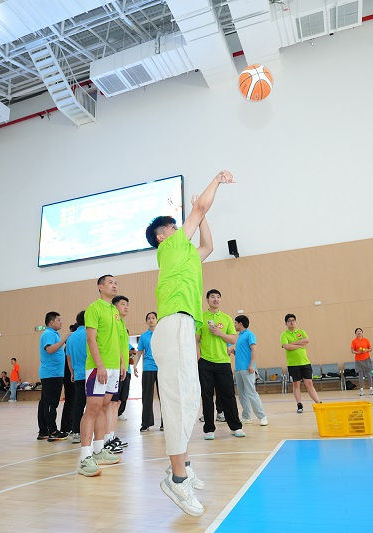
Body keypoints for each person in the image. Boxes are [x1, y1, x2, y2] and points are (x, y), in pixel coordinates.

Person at [144, 169, 235, 517]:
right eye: (174, 225)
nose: (180, 227)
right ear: (163, 235)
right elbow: (198, 210)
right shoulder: (170, 247)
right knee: (179, 400)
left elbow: (208, 246)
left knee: (188, 397)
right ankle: (177, 479)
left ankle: (183, 466)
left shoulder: (185, 255)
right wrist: (216, 181)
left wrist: (203, 213)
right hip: (173, 326)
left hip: (181, 326)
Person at [77, 275, 124, 477]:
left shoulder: (114, 311)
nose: (114, 286)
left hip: (113, 368)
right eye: (110, 283)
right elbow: (91, 339)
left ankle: (98, 450)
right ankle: (84, 458)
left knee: (105, 407)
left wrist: (121, 363)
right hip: (99, 368)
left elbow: (117, 340)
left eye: (116, 283)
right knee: (92, 410)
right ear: (100, 286)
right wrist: (100, 365)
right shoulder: (94, 308)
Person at [197, 289, 243, 440]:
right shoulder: (201, 318)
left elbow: (233, 339)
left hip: (223, 362)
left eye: (218, 297)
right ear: (207, 300)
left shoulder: (226, 318)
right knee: (207, 396)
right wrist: (198, 359)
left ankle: (235, 427)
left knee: (228, 395)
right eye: (212, 297)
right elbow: (195, 340)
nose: (215, 299)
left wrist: (220, 333)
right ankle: (209, 429)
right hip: (205, 363)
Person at [103, 294, 132, 453]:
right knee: (110, 404)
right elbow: (116, 346)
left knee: (117, 404)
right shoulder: (113, 322)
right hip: (116, 368)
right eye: (123, 304)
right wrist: (121, 363)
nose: (126, 307)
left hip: (124, 369)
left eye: (127, 304)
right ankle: (106, 439)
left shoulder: (122, 323)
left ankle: (111, 436)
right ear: (114, 307)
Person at [37, 312, 71, 442]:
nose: (61, 322)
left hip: (53, 374)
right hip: (51, 374)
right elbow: (50, 349)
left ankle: (44, 431)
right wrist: (64, 339)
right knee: (51, 404)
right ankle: (53, 431)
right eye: (59, 320)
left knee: (45, 403)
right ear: (51, 322)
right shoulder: (48, 334)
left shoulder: (53, 334)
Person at [280, 314, 321, 413]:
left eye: (293, 320)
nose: (292, 322)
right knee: (296, 384)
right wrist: (299, 345)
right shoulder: (284, 335)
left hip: (305, 362)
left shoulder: (301, 332)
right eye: (289, 321)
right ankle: (299, 404)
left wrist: (293, 343)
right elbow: (286, 346)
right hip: (293, 364)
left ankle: (318, 403)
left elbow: (306, 340)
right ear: (286, 323)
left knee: (309, 383)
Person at [231, 315, 268, 426]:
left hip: (247, 369)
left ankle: (262, 416)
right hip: (238, 369)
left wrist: (251, 365)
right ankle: (246, 417)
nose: (234, 325)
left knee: (251, 393)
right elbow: (242, 353)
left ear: (240, 323)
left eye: (235, 323)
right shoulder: (239, 336)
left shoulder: (249, 334)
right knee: (242, 395)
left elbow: (254, 350)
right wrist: (233, 351)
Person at [135, 312, 162, 432]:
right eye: (149, 318)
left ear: (157, 320)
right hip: (148, 368)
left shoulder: (163, 334)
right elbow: (139, 352)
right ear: (146, 321)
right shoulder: (144, 336)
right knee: (147, 397)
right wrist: (135, 365)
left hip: (162, 368)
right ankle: (146, 423)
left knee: (164, 397)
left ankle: (165, 423)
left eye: (153, 318)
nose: (151, 320)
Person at [66, 311, 88, 444]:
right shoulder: (90, 333)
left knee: (79, 404)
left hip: (78, 375)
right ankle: (91, 432)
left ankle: (76, 433)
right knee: (94, 404)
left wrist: (72, 373)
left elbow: (69, 359)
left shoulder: (71, 337)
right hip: (92, 374)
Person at [351, 328, 373, 396]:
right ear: (356, 333)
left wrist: (366, 350)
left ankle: (371, 389)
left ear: (362, 332)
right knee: (360, 374)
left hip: (366, 358)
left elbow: (370, 349)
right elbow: (352, 351)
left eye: (360, 331)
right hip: (358, 359)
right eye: (357, 331)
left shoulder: (366, 340)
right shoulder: (354, 341)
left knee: (368, 373)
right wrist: (358, 352)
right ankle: (361, 390)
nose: (359, 332)